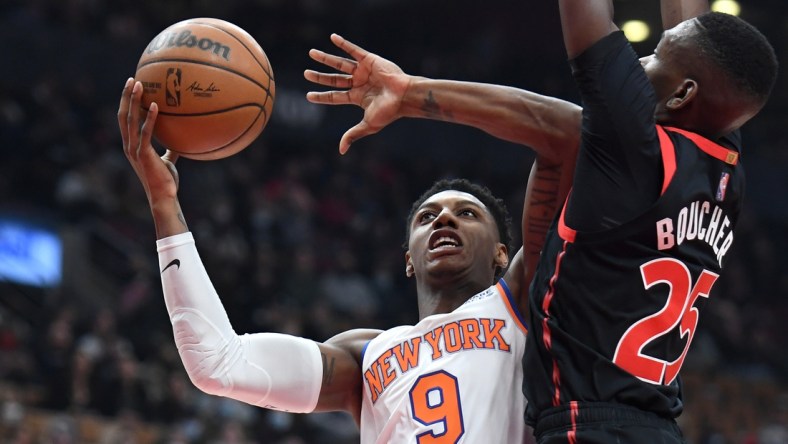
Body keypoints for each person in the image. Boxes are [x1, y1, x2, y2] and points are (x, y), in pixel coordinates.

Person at [117, 48, 580, 440]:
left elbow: (568, 136)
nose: (443, 218)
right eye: (426, 216)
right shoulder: (365, 356)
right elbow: (217, 362)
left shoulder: (521, 303)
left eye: (467, 213)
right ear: (408, 259)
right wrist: (163, 202)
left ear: (503, 252)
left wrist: (411, 94)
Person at [518, 0, 778, 442]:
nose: (640, 59)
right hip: (655, 427)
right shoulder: (725, 170)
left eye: (655, 55)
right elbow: (696, 34)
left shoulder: (631, 146)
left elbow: (587, 16)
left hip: (591, 424)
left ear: (682, 95)